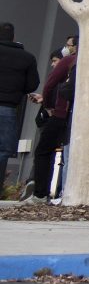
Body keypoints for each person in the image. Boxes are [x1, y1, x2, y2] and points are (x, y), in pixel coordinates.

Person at [28, 50, 75, 203]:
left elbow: (50, 85)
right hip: (77, 114)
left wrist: (47, 105)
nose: (53, 65)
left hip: (60, 114)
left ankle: (41, 193)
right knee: (66, 154)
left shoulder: (69, 61)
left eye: (69, 45)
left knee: (44, 151)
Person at [0, 23, 40, 193]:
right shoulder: (27, 58)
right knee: (3, 150)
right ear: (13, 38)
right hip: (8, 108)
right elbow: (32, 84)